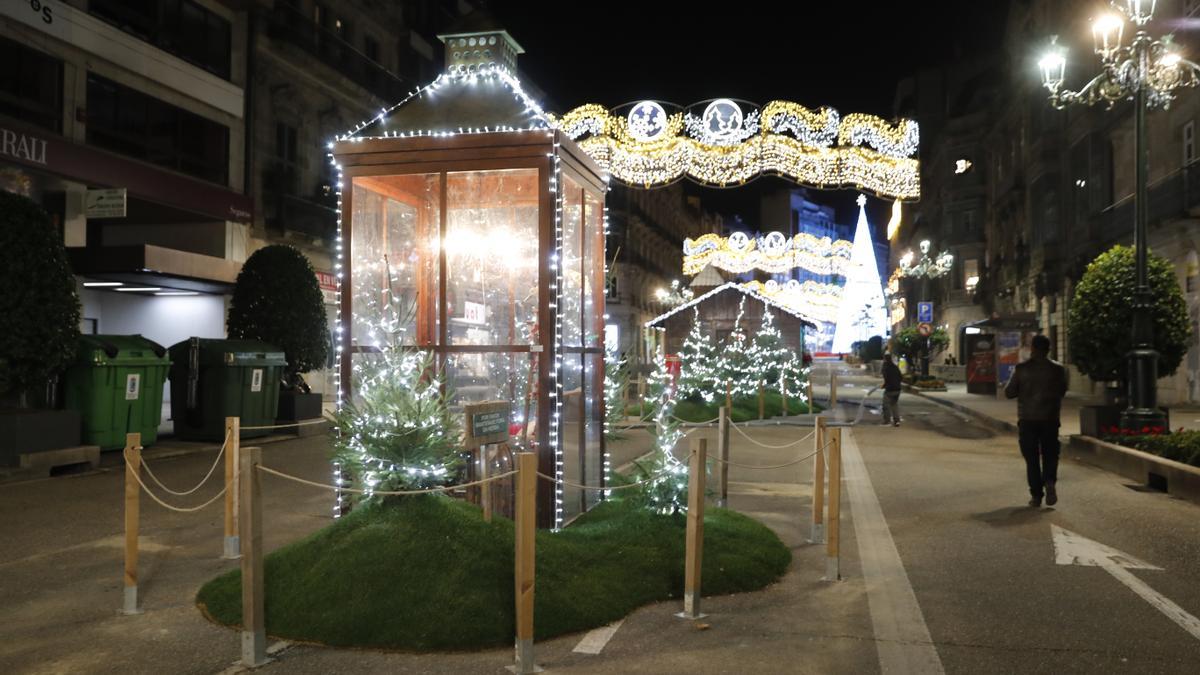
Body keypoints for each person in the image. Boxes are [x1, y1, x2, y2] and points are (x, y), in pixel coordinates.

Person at [1004, 334, 1069, 507]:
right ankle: (1049, 481)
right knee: (1050, 454)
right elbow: (1062, 391)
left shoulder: (1022, 368)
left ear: (1032, 348)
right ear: (1048, 349)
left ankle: (1036, 495)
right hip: (1050, 418)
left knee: (1031, 459)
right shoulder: (1058, 369)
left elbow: (1009, 392)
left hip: (1028, 419)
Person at [880, 353, 903, 426]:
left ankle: (887, 420)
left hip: (890, 389)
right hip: (897, 389)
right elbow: (900, 377)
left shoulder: (885, 367)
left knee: (885, 404)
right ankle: (896, 421)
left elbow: (887, 378)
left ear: (885, 359)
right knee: (894, 404)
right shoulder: (895, 367)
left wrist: (884, 385)